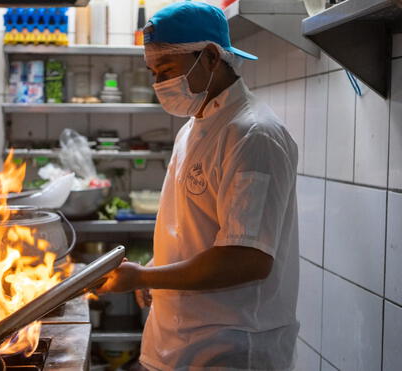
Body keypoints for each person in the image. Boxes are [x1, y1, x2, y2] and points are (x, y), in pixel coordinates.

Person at [96, 2, 300, 370]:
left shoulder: (253, 135)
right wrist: (157, 269)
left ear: (209, 56)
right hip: (175, 344)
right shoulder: (194, 127)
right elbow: (195, 226)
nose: (159, 84)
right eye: (154, 72)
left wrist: (144, 276)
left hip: (230, 347)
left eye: (168, 70)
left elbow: (247, 259)